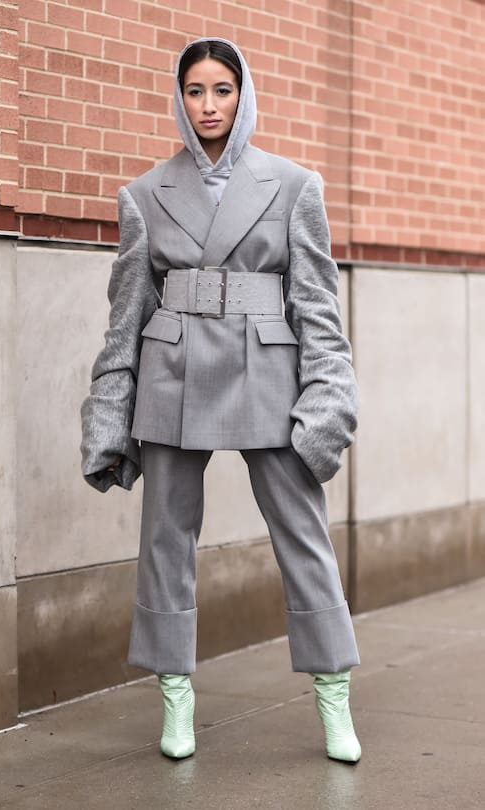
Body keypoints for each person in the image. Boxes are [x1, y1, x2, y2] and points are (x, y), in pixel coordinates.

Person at [81, 37, 361, 764]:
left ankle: (335, 697)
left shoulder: (294, 185)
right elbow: (126, 314)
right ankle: (177, 700)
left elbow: (320, 309)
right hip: (173, 372)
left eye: (222, 90)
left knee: (303, 538)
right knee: (166, 541)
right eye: (196, 91)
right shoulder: (145, 193)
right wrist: (110, 412)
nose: (208, 105)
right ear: (180, 99)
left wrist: (327, 400)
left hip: (268, 369)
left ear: (244, 95)